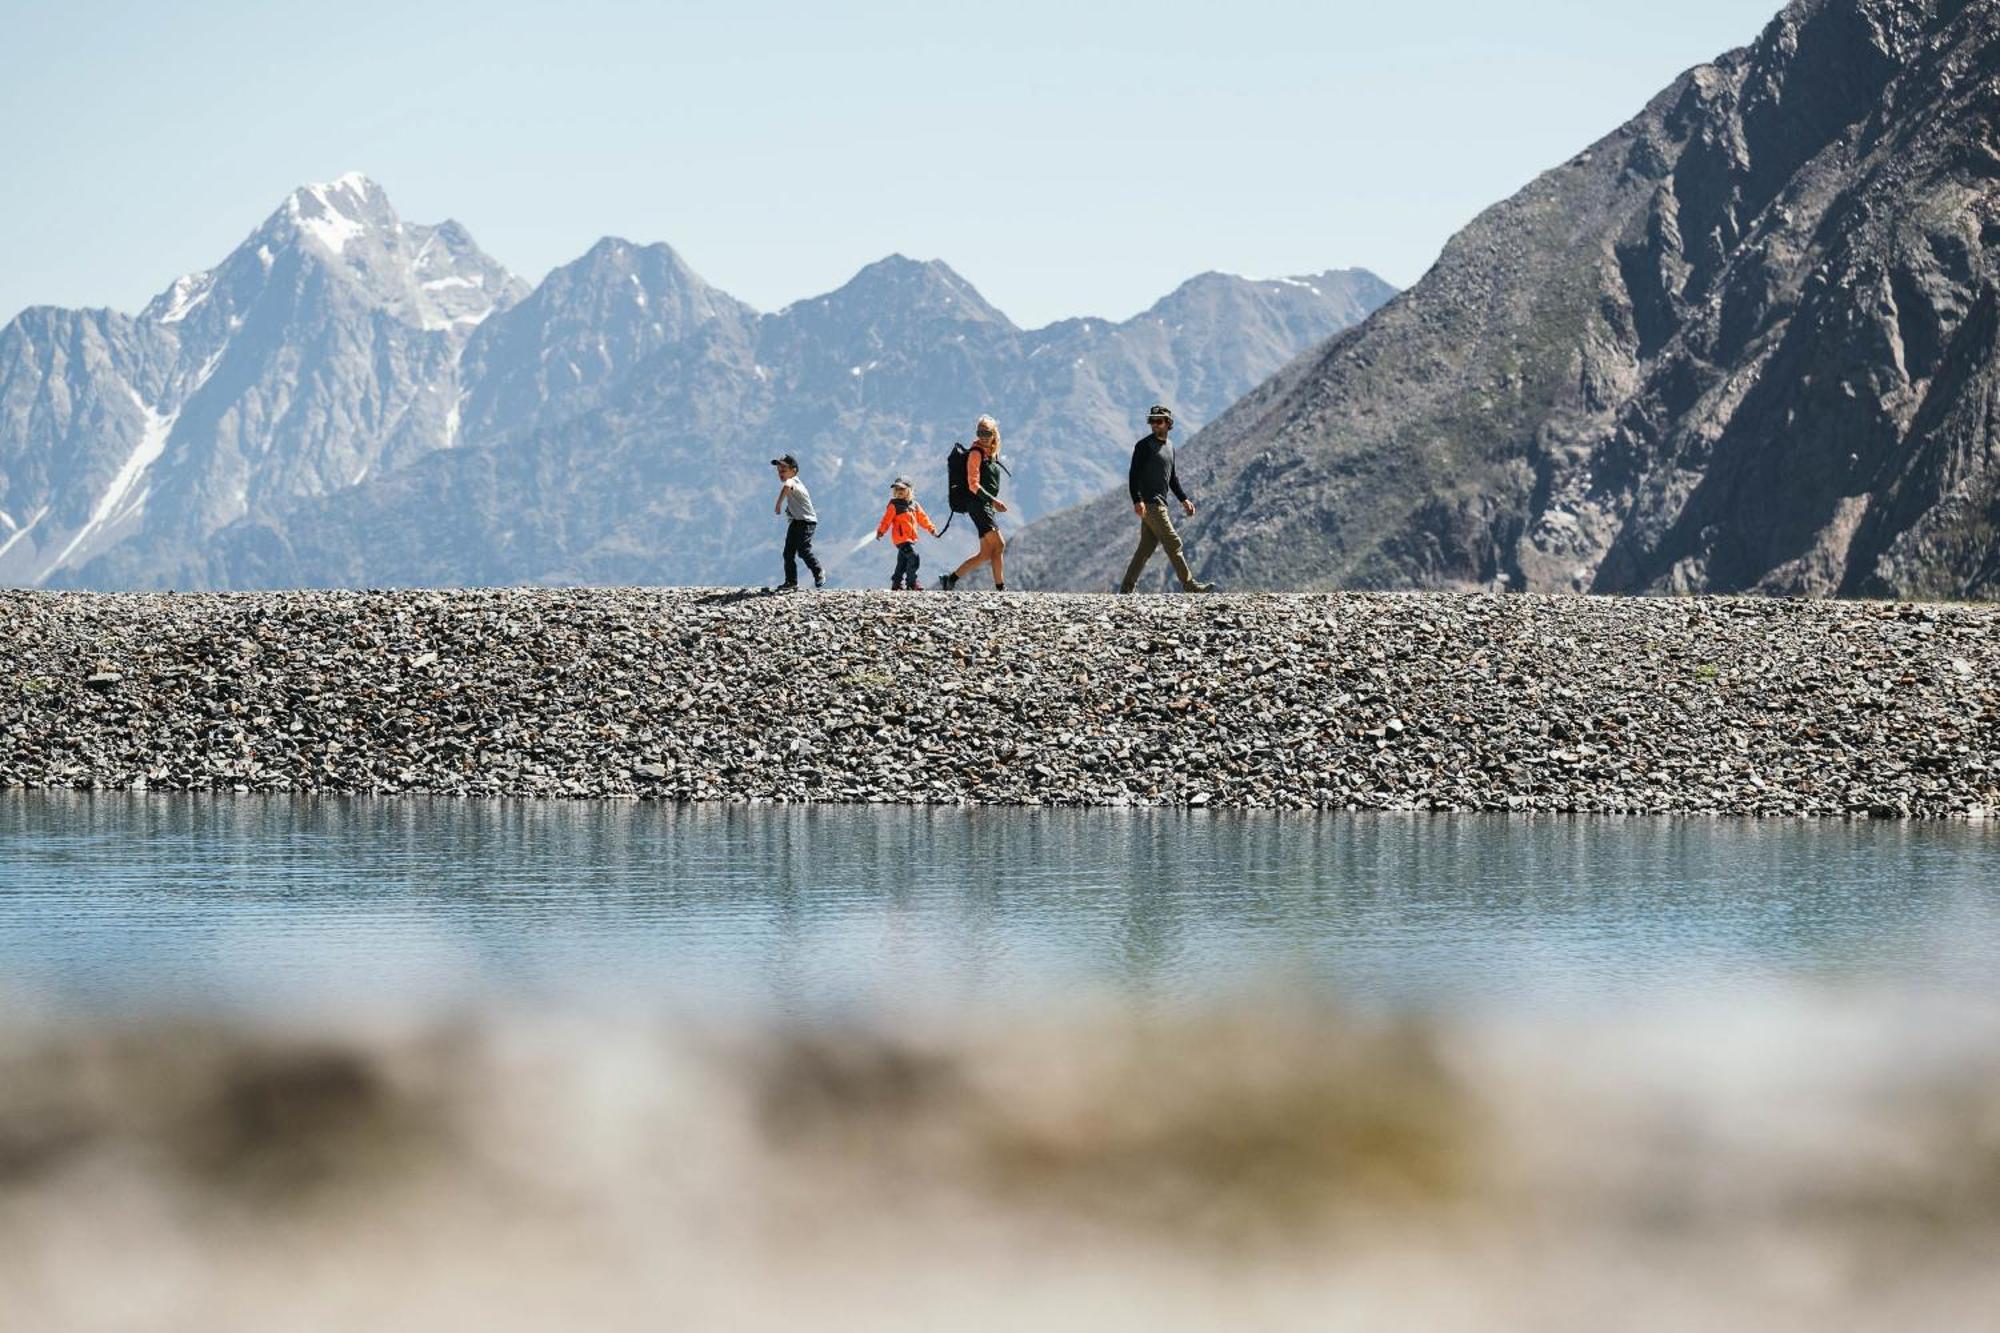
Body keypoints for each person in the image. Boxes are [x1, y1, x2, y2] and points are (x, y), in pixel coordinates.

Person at [1119, 405, 1215, 594]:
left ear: (1168, 424)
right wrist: (1136, 500)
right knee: (1173, 541)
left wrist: (1184, 499)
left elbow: (1172, 478)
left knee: (1145, 548)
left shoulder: (1170, 447)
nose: (1155, 425)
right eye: (1152, 421)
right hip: (1151, 504)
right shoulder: (1143, 446)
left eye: (1159, 421)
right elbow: (1133, 475)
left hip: (1160, 503)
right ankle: (1190, 585)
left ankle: (1126, 589)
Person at [939, 415, 1009, 591]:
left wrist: (990, 502)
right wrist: (993, 501)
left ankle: (950, 579)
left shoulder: (990, 455)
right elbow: (973, 484)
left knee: (986, 553)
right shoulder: (976, 453)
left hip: (983, 505)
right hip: (978, 505)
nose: (983, 436)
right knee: (999, 544)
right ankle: (1001, 589)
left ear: (994, 434)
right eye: (980, 432)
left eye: (987, 432)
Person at [770, 453, 824, 590]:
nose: (780, 473)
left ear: (793, 470)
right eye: (779, 471)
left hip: (807, 522)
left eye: (784, 470)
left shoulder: (793, 481)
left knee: (803, 550)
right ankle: (791, 582)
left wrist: (778, 504)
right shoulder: (794, 483)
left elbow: (787, 486)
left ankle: (818, 571)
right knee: (788, 553)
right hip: (796, 522)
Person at [874, 476, 939, 590]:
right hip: (901, 539)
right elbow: (886, 520)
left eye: (902, 490)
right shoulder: (894, 505)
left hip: (910, 539)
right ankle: (912, 582)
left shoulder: (914, 505)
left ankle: (896, 584)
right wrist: (881, 531)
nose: (898, 492)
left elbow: (923, 519)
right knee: (914, 557)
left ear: (909, 490)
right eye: (896, 490)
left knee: (902, 562)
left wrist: (931, 529)